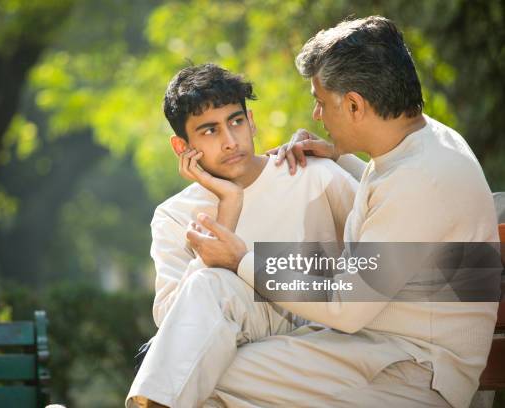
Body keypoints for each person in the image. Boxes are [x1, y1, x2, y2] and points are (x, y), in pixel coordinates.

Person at [188, 16, 499, 408]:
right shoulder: (428, 142)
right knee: (202, 366)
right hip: (383, 347)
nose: (317, 115)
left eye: (320, 101)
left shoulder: (421, 177)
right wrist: (341, 153)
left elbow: (346, 305)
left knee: (209, 374)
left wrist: (242, 260)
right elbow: (393, 207)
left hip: (416, 370)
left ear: (355, 105)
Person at [126, 63, 358, 407]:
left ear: (251, 121)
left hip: (317, 329)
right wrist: (228, 208)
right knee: (208, 306)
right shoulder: (173, 215)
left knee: (205, 371)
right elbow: (172, 322)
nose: (230, 141)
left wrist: (343, 156)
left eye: (235, 122)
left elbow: (386, 246)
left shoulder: (310, 175)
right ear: (181, 147)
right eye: (209, 131)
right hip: (232, 340)